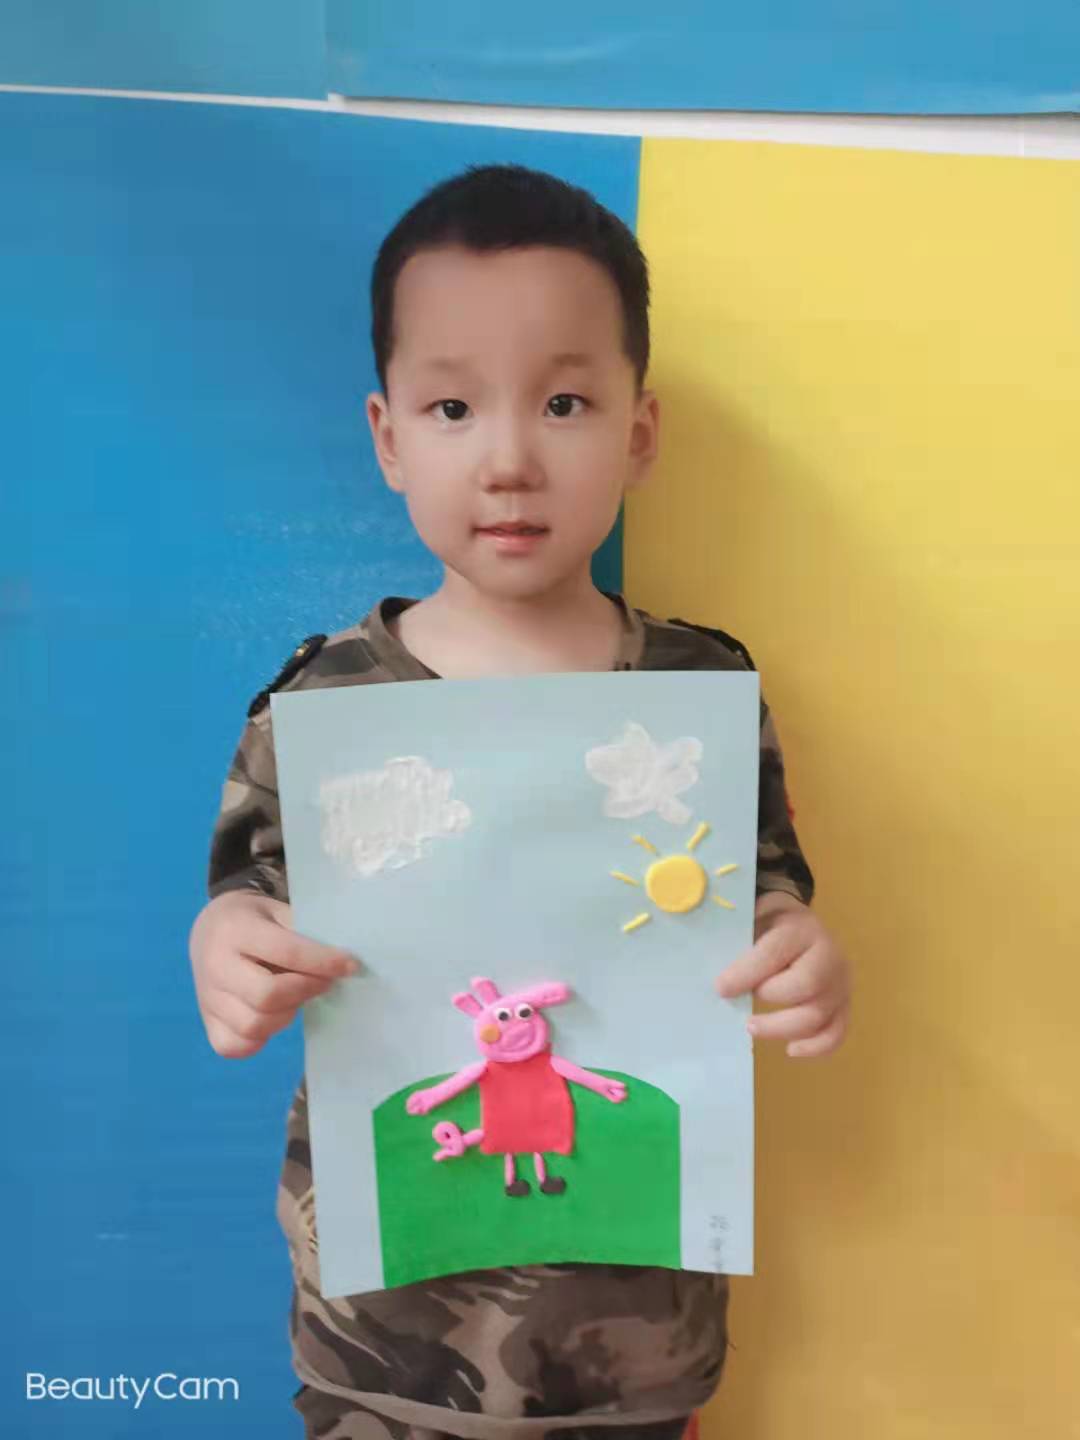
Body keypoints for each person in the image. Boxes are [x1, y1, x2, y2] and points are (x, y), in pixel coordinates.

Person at [189, 163, 852, 1439]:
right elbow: (247, 894)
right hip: (381, 1346)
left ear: (638, 433)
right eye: (452, 407)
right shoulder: (324, 703)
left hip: (637, 1344)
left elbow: (765, 895)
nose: (507, 460)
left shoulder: (701, 693)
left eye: (563, 402)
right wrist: (226, 948)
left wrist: (799, 953)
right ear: (388, 436)